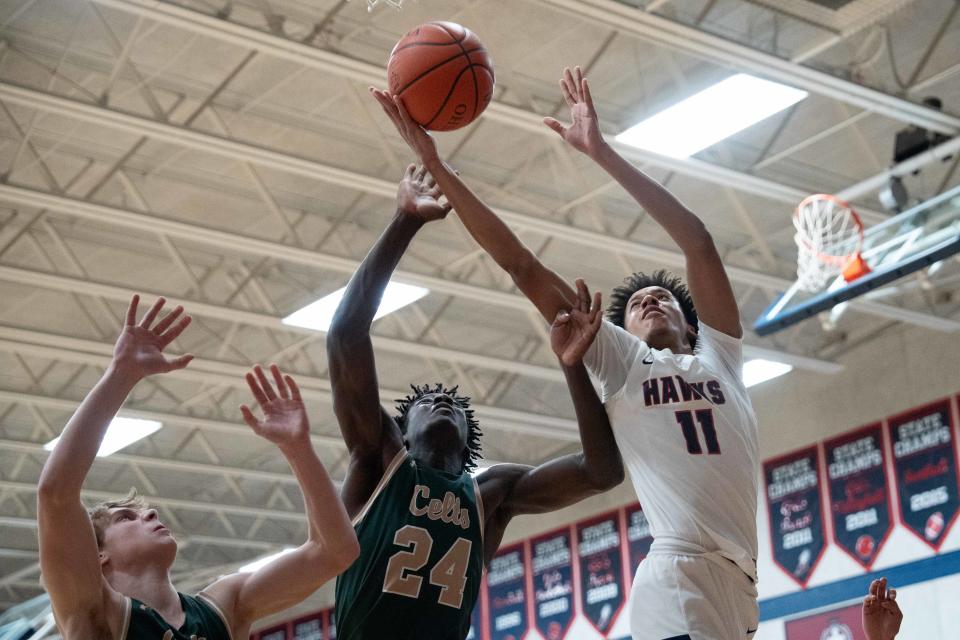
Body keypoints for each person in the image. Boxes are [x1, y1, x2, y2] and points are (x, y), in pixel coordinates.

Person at [372, 65, 760, 639]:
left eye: (663, 298)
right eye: (636, 304)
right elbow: (520, 263)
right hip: (681, 568)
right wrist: (435, 163)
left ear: (692, 322)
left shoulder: (722, 357)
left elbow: (697, 240)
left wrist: (600, 152)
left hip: (744, 582)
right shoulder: (624, 361)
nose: (652, 300)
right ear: (620, 329)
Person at [327, 165, 623, 640]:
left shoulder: (491, 493)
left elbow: (602, 471)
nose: (444, 401)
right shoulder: (378, 459)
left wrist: (573, 365)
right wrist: (405, 220)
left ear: (469, 437)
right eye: (430, 401)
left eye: (455, 405)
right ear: (402, 431)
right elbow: (345, 335)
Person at [37, 295, 359, 640]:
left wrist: (298, 449)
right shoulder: (97, 613)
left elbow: (335, 551)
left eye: (147, 512)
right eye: (126, 518)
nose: (148, 516)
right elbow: (56, 493)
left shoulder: (223, 606)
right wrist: (121, 374)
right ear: (98, 554)